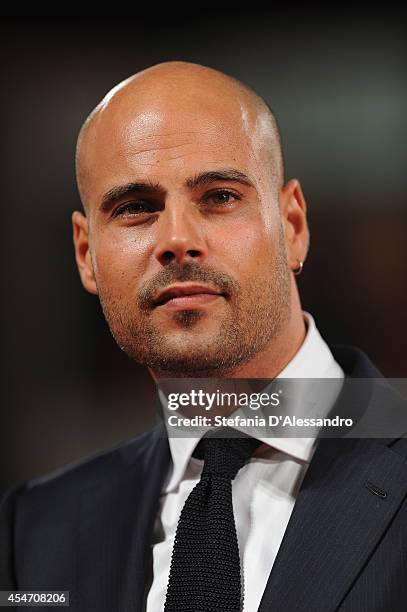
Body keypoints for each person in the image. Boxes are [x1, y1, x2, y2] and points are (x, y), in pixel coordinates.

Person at [1, 61, 407, 612]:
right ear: (85, 255)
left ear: (292, 226)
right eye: (136, 208)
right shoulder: (33, 531)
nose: (176, 239)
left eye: (218, 197)